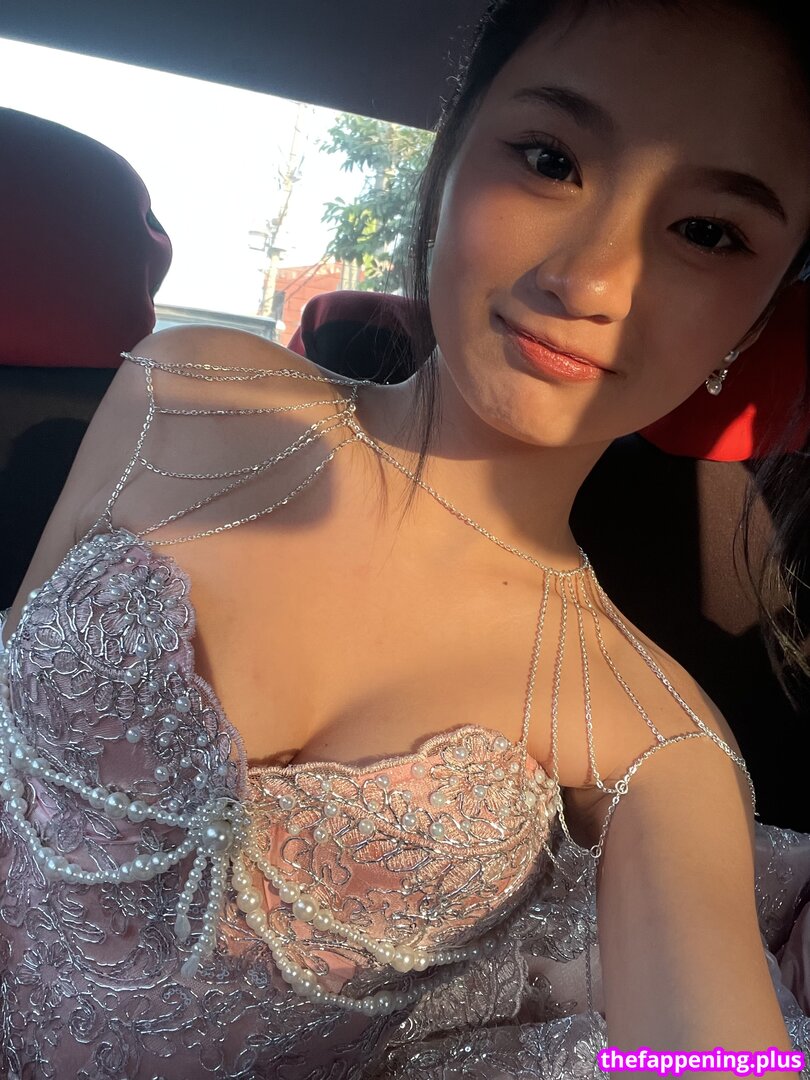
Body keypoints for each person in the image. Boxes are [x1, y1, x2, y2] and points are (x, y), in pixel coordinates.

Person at [1, 1, 809, 1077]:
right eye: (551, 159)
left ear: (755, 321)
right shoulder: (187, 391)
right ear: (452, 151)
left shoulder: (656, 741)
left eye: (708, 233)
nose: (589, 281)